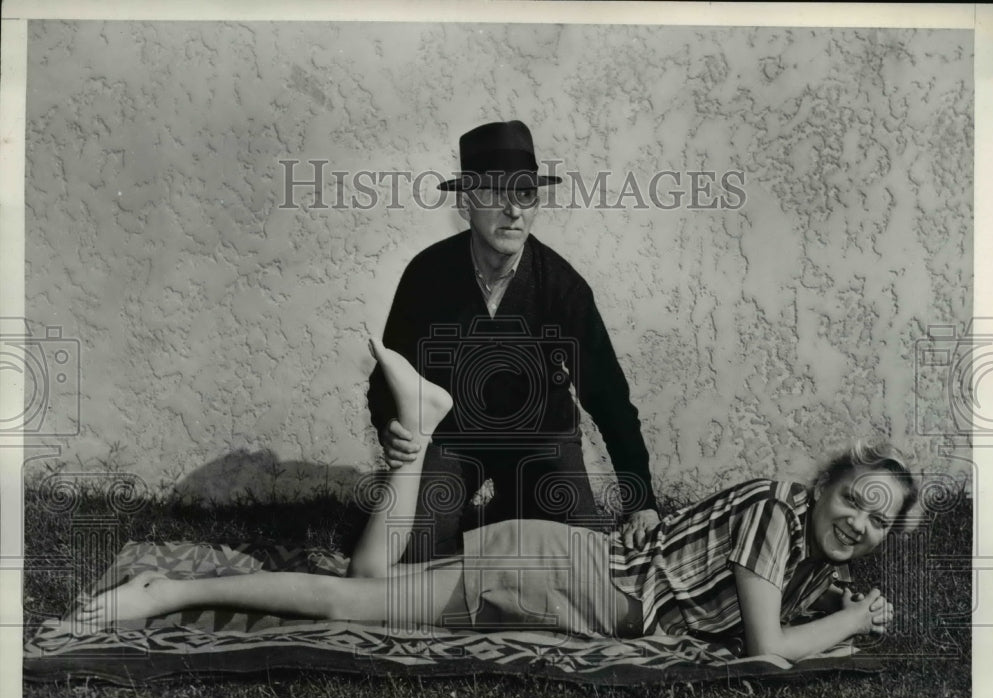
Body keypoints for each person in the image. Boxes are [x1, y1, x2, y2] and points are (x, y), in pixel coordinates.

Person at [74, 341, 913, 662]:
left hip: (574, 573)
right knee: (355, 603)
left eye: (877, 521)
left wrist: (835, 609)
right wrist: (854, 622)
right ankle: (168, 595)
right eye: (855, 502)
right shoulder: (778, 510)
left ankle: (418, 434)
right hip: (571, 580)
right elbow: (768, 652)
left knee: (369, 581)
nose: (860, 523)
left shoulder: (804, 546)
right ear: (824, 485)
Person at [367, 120, 659, 562]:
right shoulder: (428, 276)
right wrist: (390, 424)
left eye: (525, 194)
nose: (513, 210)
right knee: (413, 556)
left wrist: (641, 503)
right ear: (466, 204)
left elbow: (610, 397)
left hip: (543, 438)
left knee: (581, 563)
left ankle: (509, 513)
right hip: (456, 439)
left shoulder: (562, 287)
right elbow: (388, 376)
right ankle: (491, 522)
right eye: (495, 193)